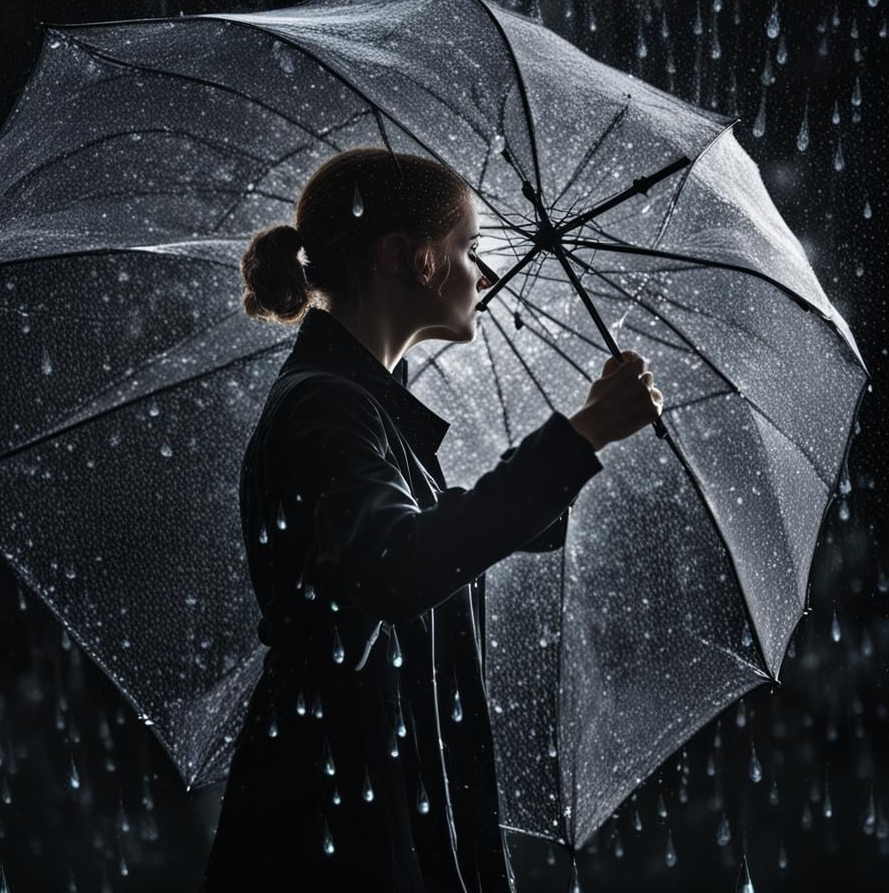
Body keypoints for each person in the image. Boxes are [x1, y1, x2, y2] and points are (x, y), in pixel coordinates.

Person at [199, 147, 663, 891]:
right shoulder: (327, 406)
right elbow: (396, 568)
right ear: (410, 259)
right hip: (337, 818)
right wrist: (581, 437)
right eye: (467, 248)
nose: (480, 273)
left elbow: (422, 535)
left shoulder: (362, 407)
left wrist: (575, 446)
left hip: (361, 792)